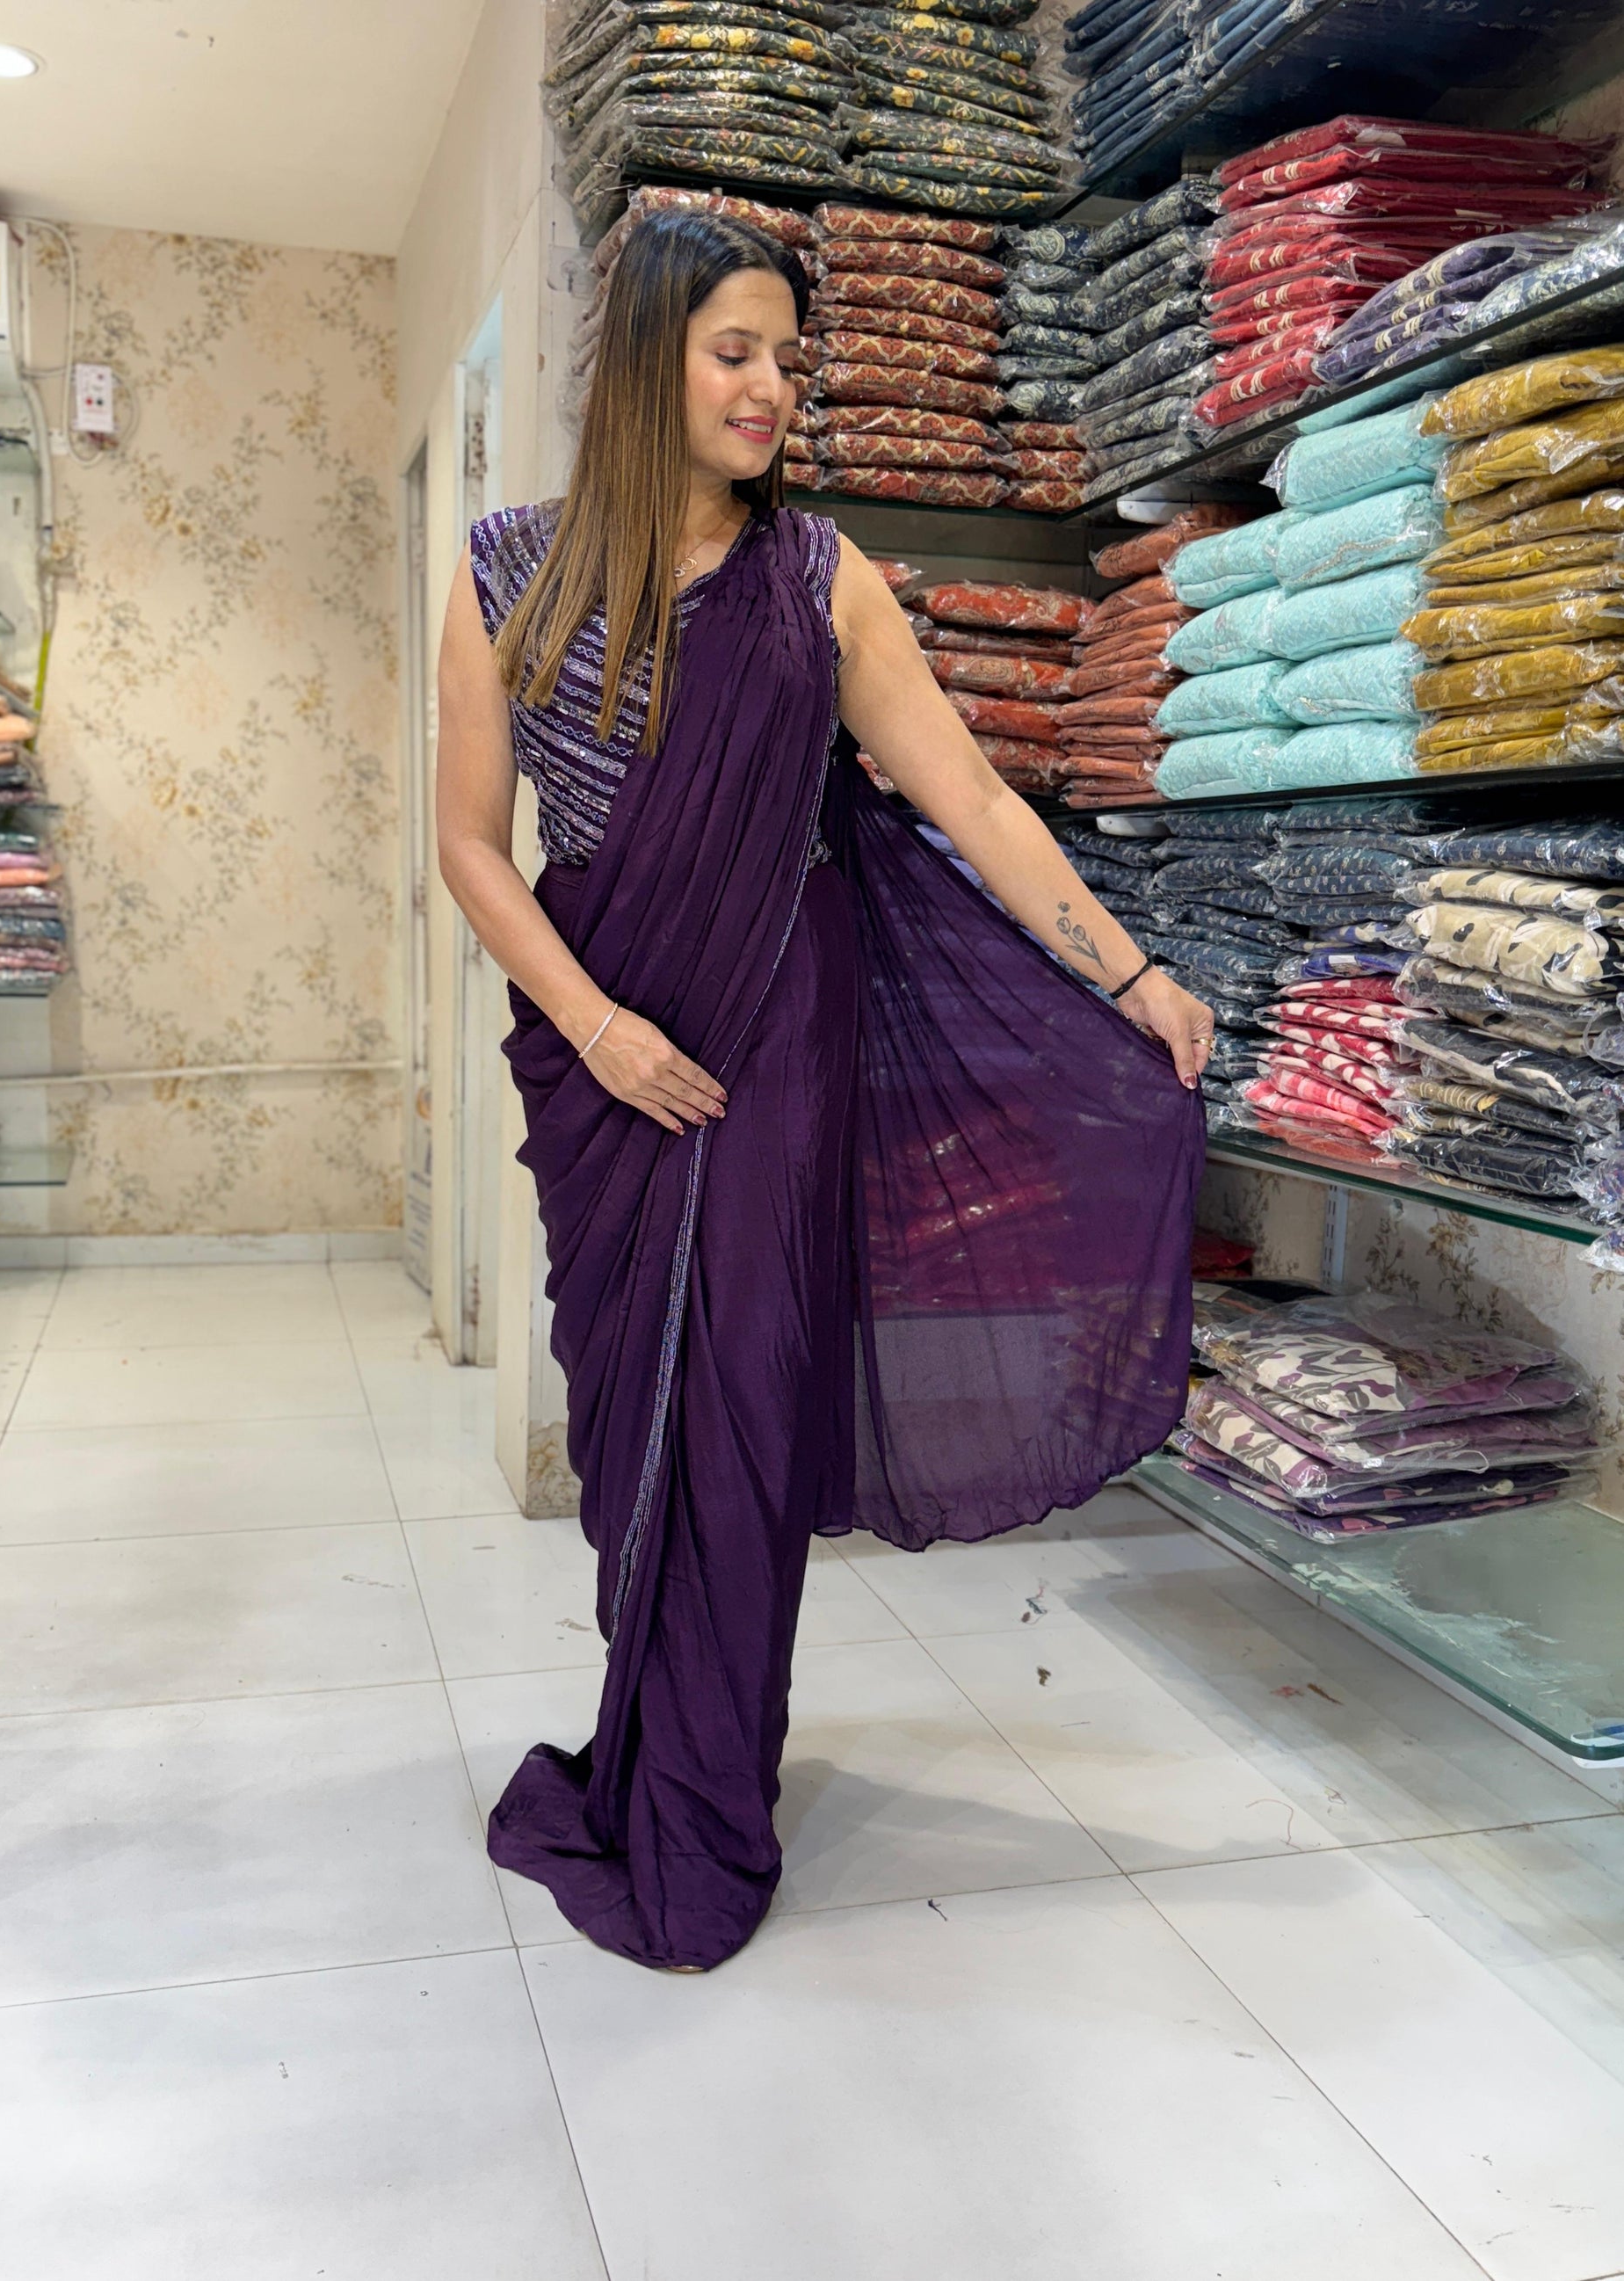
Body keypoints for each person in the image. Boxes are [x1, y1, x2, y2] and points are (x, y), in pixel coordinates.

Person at [436, 209, 1212, 1974]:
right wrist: (598, 1027)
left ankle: (705, 1809)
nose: (771, 388)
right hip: (608, 1060)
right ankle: (648, 1747)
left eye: (788, 359)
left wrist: (1133, 976)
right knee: (632, 1424)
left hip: (775, 1044)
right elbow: (472, 845)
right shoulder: (506, 570)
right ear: (649, 357)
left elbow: (977, 802)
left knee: (738, 1411)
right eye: (735, 352)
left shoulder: (819, 578)